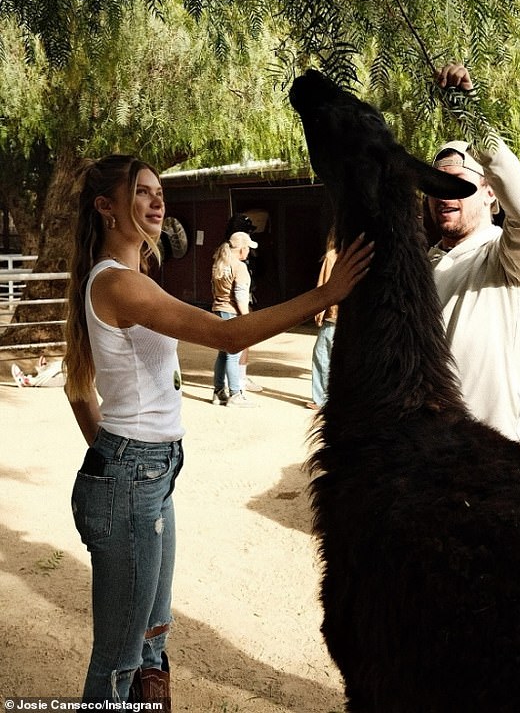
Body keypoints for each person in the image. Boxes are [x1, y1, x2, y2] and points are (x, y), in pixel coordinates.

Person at [63, 154, 373, 706]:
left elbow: (77, 391)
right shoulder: (118, 286)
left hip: (145, 475)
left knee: (154, 640)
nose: (158, 201)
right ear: (106, 208)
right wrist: (326, 295)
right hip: (135, 477)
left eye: (159, 191)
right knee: (119, 660)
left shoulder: (132, 281)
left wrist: (119, 463)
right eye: (140, 192)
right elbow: (226, 336)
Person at [427, 63, 520, 446]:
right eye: (437, 184)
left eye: (459, 184)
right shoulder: (422, 266)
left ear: (490, 192)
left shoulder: (510, 260)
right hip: (426, 454)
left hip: (498, 461)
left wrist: (471, 118)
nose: (445, 194)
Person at [210, 230, 259, 407]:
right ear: (242, 249)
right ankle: (235, 394)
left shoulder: (219, 263)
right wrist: (246, 318)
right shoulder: (240, 267)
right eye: (248, 248)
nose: (249, 252)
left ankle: (218, 391)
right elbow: (240, 296)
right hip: (232, 312)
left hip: (218, 310)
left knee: (223, 353)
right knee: (233, 354)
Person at [223, 213, 262, 393]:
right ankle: (239, 379)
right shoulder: (238, 258)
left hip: (226, 302)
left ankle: (229, 381)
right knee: (242, 341)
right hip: (237, 302)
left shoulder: (222, 255)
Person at [306, 233, 338, 410]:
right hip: (351, 315)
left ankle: (321, 399)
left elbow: (324, 285)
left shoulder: (331, 256)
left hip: (333, 315)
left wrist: (318, 312)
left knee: (322, 356)